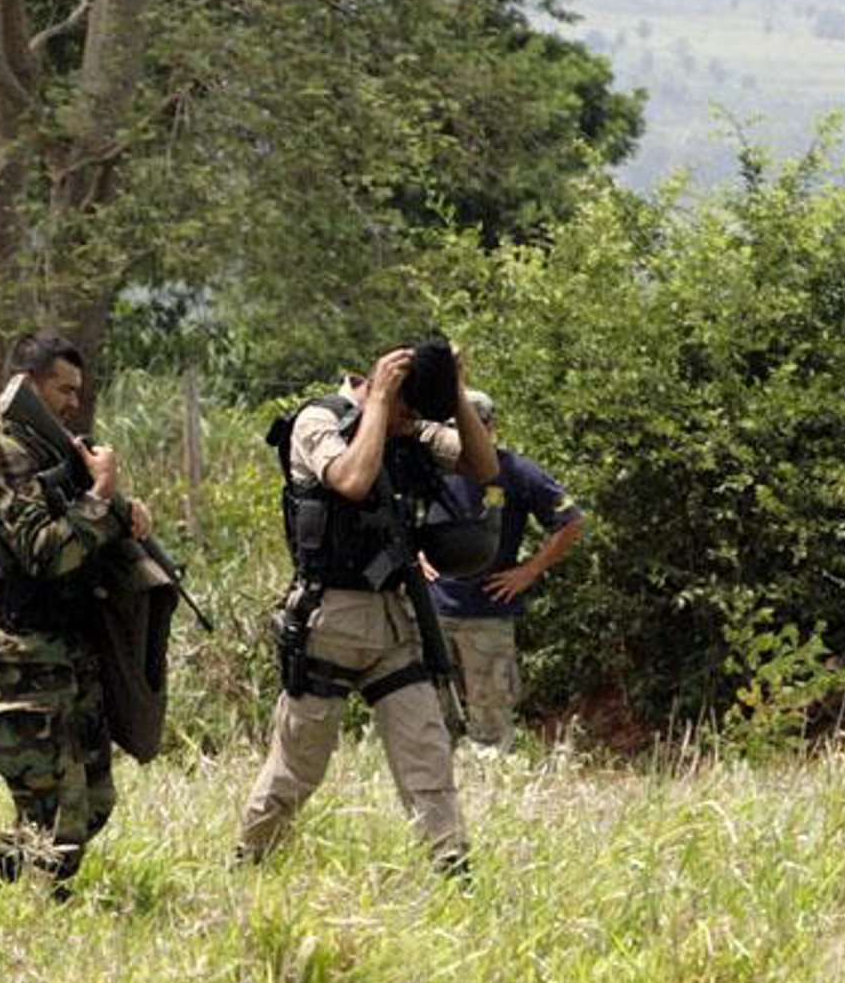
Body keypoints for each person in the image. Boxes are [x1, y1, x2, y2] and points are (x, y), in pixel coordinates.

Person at [237, 338, 499, 871]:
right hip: (329, 620)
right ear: (380, 385)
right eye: (406, 411)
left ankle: (451, 866)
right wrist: (379, 402)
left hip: (392, 622)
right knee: (299, 762)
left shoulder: (411, 428)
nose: (409, 425)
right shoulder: (319, 421)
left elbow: (483, 465)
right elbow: (352, 481)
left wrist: (454, 393)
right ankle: (250, 860)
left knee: (427, 749)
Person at [0, 329, 154, 895]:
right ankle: (27, 916)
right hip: (17, 654)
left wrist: (124, 513)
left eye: (77, 391)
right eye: (63, 390)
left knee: (93, 802)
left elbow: (75, 529)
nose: (73, 403)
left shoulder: (46, 448)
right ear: (26, 384)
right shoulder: (3, 453)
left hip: (62, 647)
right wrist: (100, 498)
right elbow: (45, 552)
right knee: (57, 815)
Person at [427, 392, 585, 753]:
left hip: (487, 613)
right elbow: (402, 511)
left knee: (491, 725)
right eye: (452, 427)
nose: (461, 435)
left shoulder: (514, 470)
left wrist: (529, 571)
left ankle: (491, 783)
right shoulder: (432, 468)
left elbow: (571, 520)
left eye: (470, 426)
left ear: (489, 426)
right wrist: (417, 553)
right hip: (433, 610)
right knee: (431, 719)